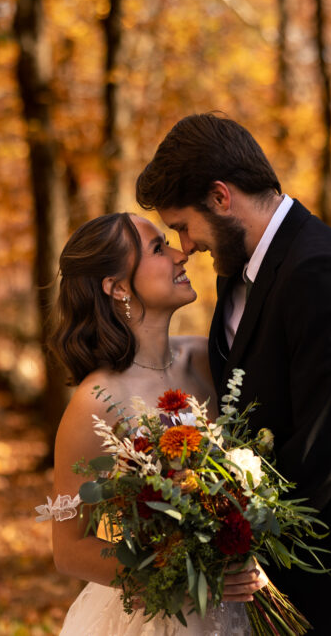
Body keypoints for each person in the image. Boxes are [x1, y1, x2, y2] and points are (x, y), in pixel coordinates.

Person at [136, 113, 331, 635]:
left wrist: (225, 535)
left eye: (183, 225)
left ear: (221, 197)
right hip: (272, 576)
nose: (185, 245)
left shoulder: (325, 272)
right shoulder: (242, 269)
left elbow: (323, 449)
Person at [46, 212, 265, 635]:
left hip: (239, 609)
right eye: (158, 248)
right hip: (159, 616)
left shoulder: (207, 358)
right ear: (117, 286)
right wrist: (187, 575)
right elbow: (69, 551)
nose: (182, 254)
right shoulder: (95, 402)